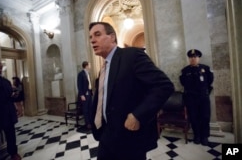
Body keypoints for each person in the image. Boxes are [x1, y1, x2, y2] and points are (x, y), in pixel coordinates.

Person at [89, 22, 174, 160]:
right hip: (106, 136)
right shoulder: (103, 69)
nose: (92, 40)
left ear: (112, 37)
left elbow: (164, 86)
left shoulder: (132, 55)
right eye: (90, 37)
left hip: (129, 138)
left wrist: (138, 115)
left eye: (97, 34)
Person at [179, 49, 214, 146]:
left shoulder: (206, 69)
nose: (193, 59)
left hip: (203, 98)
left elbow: (210, 81)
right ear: (189, 59)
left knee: (205, 117)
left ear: (199, 58)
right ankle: (197, 136)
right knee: (194, 117)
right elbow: (183, 83)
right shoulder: (185, 71)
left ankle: (205, 136)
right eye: (191, 57)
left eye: (195, 57)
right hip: (191, 98)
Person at [0, 61, 22, 160]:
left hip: (8, 113)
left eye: (1, 68)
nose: (0, 70)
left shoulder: (6, 81)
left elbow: (11, 96)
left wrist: (15, 97)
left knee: (11, 136)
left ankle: (13, 153)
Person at [77, 61, 93, 129]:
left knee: (90, 108)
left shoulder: (88, 73)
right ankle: (87, 123)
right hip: (84, 95)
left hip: (89, 93)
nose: (90, 66)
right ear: (86, 66)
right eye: (89, 65)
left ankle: (91, 121)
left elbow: (88, 84)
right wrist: (81, 95)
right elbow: (79, 85)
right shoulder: (81, 74)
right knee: (85, 109)